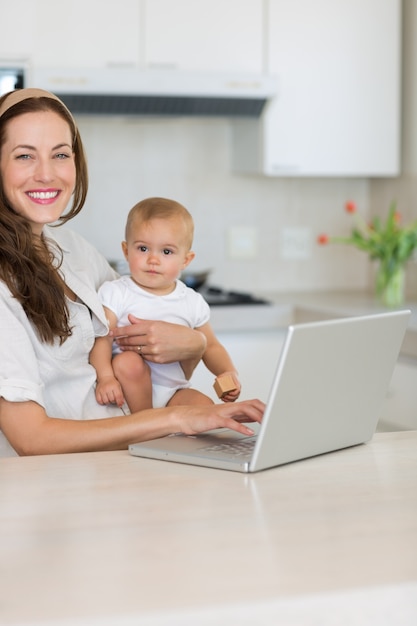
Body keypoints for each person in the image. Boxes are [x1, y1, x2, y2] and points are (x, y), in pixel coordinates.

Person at [0, 87, 264, 457]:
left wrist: (197, 345)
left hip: (132, 457)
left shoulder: (72, 247)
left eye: (60, 154)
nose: (46, 174)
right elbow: (31, 439)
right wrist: (175, 420)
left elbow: (148, 343)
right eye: (24, 156)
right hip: (62, 485)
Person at [90, 197, 241, 412]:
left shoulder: (191, 301)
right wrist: (105, 378)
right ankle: (145, 424)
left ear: (186, 260)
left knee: (205, 407)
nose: (153, 259)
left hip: (173, 391)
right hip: (130, 389)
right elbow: (100, 338)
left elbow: (211, 345)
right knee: (128, 361)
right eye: (143, 249)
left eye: (166, 252)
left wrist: (227, 372)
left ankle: (166, 435)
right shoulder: (117, 292)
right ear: (126, 251)